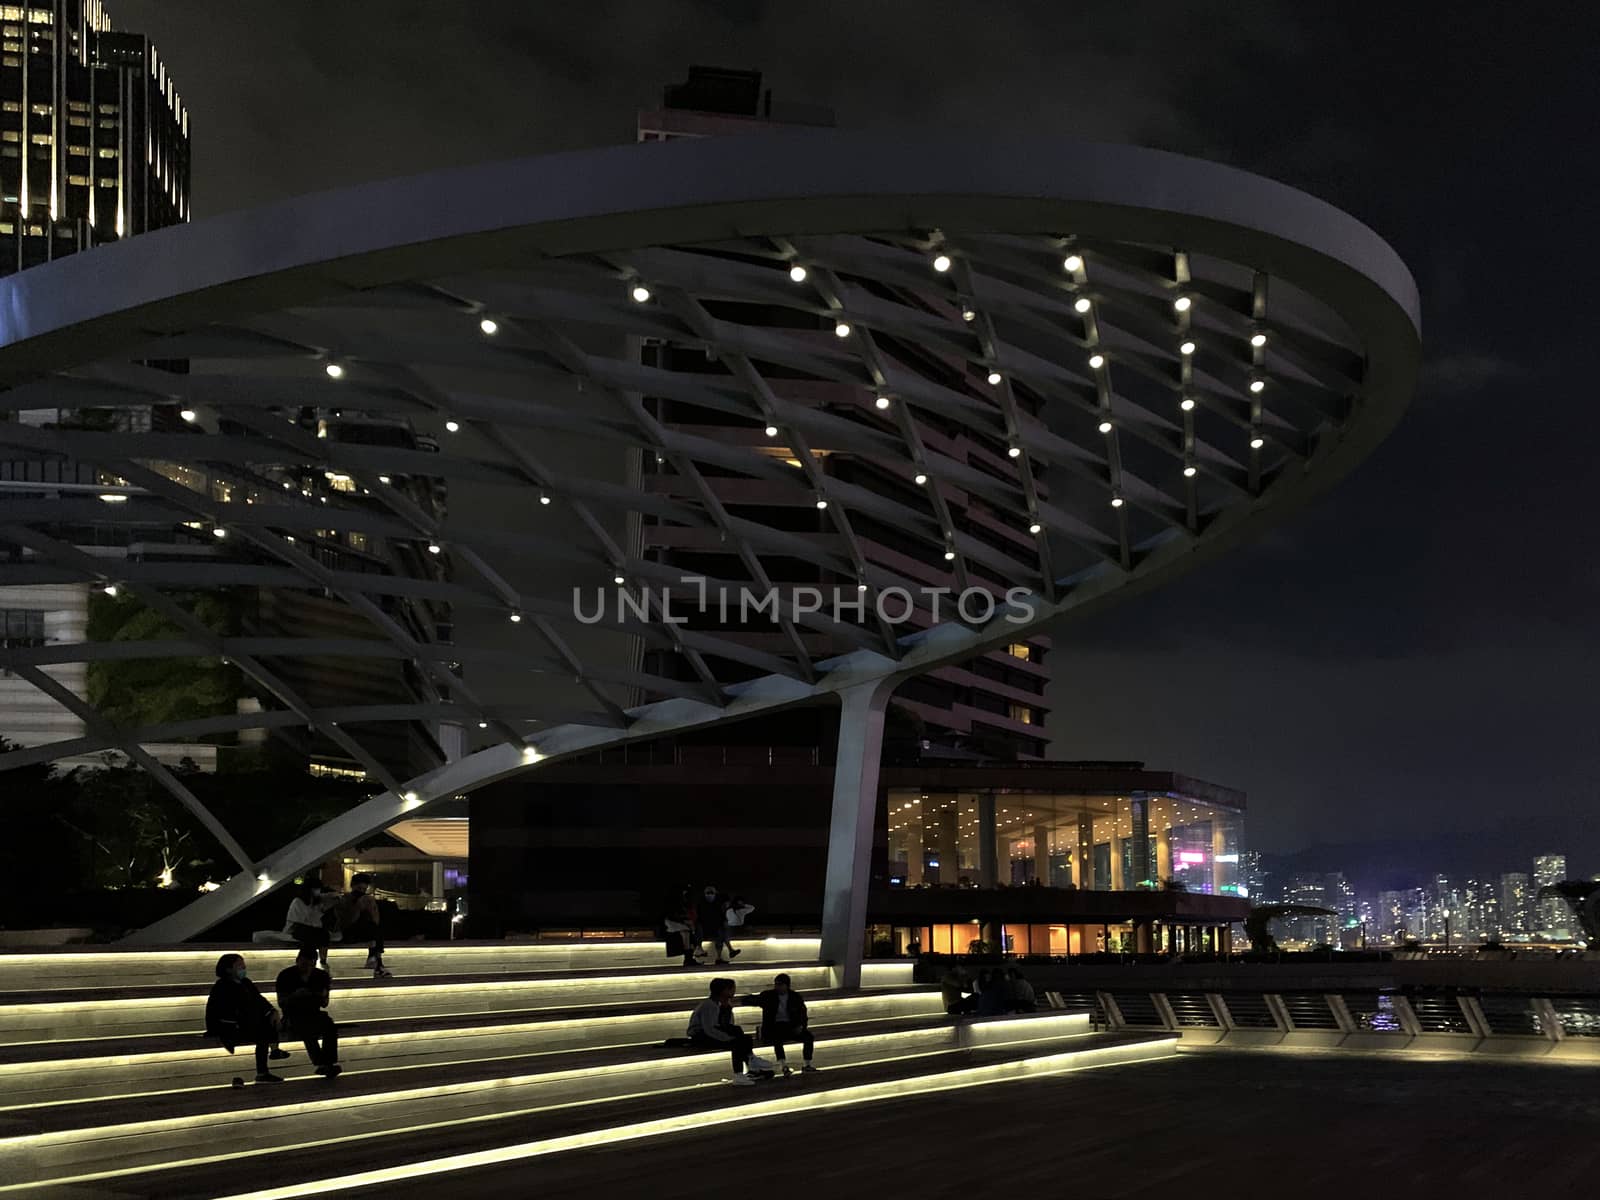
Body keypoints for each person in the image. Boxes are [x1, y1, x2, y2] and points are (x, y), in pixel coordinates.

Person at [205, 953, 290, 1083]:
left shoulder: (246, 983)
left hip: (248, 1022)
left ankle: (272, 1053)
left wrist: (273, 1011)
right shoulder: (222, 987)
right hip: (229, 1026)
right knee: (262, 1028)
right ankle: (266, 1066)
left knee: (268, 1020)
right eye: (239, 965)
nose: (243, 968)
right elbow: (224, 1012)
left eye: (243, 965)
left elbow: (260, 1000)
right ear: (228, 969)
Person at [686, 977, 774, 1086]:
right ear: (723, 991)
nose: (734, 991)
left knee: (742, 1036)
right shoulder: (709, 1005)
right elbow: (710, 1029)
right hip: (701, 1036)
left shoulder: (724, 1005)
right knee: (736, 1043)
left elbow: (729, 1024)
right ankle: (739, 1073)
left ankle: (751, 1060)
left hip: (713, 1033)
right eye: (731, 989)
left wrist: (727, 1010)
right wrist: (727, 1039)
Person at [274, 948, 342, 1077]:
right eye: (304, 964)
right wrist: (295, 996)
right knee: (306, 1027)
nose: (307, 968)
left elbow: (325, 1003)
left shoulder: (321, 976)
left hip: (314, 1012)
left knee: (330, 1026)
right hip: (293, 1014)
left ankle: (327, 1063)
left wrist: (319, 995)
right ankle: (323, 1064)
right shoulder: (286, 975)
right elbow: (281, 1003)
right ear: (297, 961)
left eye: (310, 965)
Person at [747, 973, 815, 1074]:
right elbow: (752, 1000)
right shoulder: (769, 995)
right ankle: (783, 1065)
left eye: (780, 985)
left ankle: (807, 1064)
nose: (777, 987)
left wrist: (801, 1026)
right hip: (773, 1026)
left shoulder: (795, 997)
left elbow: (803, 1014)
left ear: (786, 985)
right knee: (777, 1036)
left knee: (809, 1037)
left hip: (790, 1026)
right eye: (776, 984)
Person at [335, 873, 391, 978]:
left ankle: (375, 960)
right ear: (353, 886)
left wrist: (370, 907)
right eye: (359, 888)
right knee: (373, 929)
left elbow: (376, 920)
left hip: (366, 932)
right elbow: (346, 922)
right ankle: (378, 963)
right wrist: (358, 907)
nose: (361, 891)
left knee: (374, 928)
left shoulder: (367, 899)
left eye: (364, 889)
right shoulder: (345, 899)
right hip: (348, 932)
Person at [283, 881, 333, 969]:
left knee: (322, 934)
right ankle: (312, 960)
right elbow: (301, 920)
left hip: (312, 929)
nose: (318, 891)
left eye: (319, 889)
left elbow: (315, 920)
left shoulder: (317, 903)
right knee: (314, 935)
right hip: (297, 928)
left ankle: (322, 960)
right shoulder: (298, 902)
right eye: (315, 889)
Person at [697, 884, 731, 964]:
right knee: (721, 934)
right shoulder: (702, 904)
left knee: (721, 934)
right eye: (708, 893)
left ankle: (720, 957)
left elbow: (721, 917)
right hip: (706, 928)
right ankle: (727, 951)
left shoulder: (717, 904)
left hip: (714, 928)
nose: (710, 895)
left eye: (711, 893)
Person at [723, 895, 755, 961]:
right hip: (734, 929)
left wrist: (742, 905)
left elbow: (752, 908)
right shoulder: (732, 911)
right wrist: (743, 905)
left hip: (736, 929)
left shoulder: (738, 911)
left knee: (725, 933)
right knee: (724, 933)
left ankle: (731, 950)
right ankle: (731, 950)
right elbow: (752, 908)